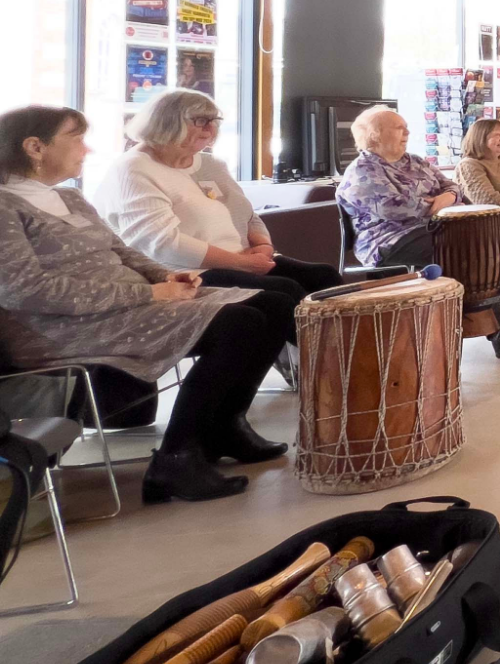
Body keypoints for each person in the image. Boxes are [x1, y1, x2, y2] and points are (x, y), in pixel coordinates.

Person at [0, 106, 292, 503]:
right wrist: (148, 293)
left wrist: (164, 276)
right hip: (62, 328)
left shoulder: (69, 197)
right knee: (238, 323)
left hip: (130, 306)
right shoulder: (5, 206)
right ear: (35, 147)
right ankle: (177, 456)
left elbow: (122, 251)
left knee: (273, 304)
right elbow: (27, 291)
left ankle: (225, 425)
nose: (86, 150)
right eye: (76, 138)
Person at [93, 88, 342, 307]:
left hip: (242, 259)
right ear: (167, 122)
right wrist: (242, 264)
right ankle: (321, 358)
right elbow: (162, 244)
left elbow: (248, 216)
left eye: (214, 121)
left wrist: (264, 248)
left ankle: (345, 357)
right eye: (200, 120)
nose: (210, 128)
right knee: (285, 290)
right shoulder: (133, 169)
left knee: (324, 276)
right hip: (185, 270)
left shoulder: (211, 164)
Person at [338, 107, 500, 358]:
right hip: (392, 240)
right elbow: (394, 208)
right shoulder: (363, 170)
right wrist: (435, 205)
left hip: (438, 229)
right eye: (399, 128)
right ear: (376, 135)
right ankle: (493, 328)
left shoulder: (416, 161)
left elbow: (452, 185)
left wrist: (449, 195)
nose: (407, 132)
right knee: (469, 253)